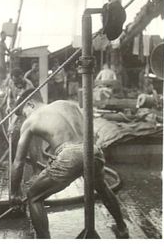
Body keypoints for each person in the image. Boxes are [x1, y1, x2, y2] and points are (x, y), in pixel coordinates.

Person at [10, 89, 129, 239]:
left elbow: (18, 162)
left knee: (34, 196)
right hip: (93, 150)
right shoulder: (68, 104)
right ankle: (122, 228)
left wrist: (14, 192)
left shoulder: (31, 120)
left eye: (24, 112)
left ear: (30, 104)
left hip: (69, 155)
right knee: (102, 188)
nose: (24, 117)